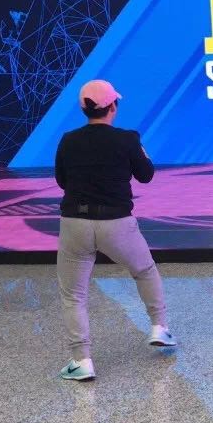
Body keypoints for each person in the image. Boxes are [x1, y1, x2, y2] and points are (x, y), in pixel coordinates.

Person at [53, 80, 175, 382]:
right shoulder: (127, 139)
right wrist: (140, 150)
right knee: (144, 271)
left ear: (84, 108)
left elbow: (61, 180)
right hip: (117, 223)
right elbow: (146, 175)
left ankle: (81, 360)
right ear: (113, 107)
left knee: (74, 295)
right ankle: (159, 327)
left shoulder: (68, 140)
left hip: (75, 223)